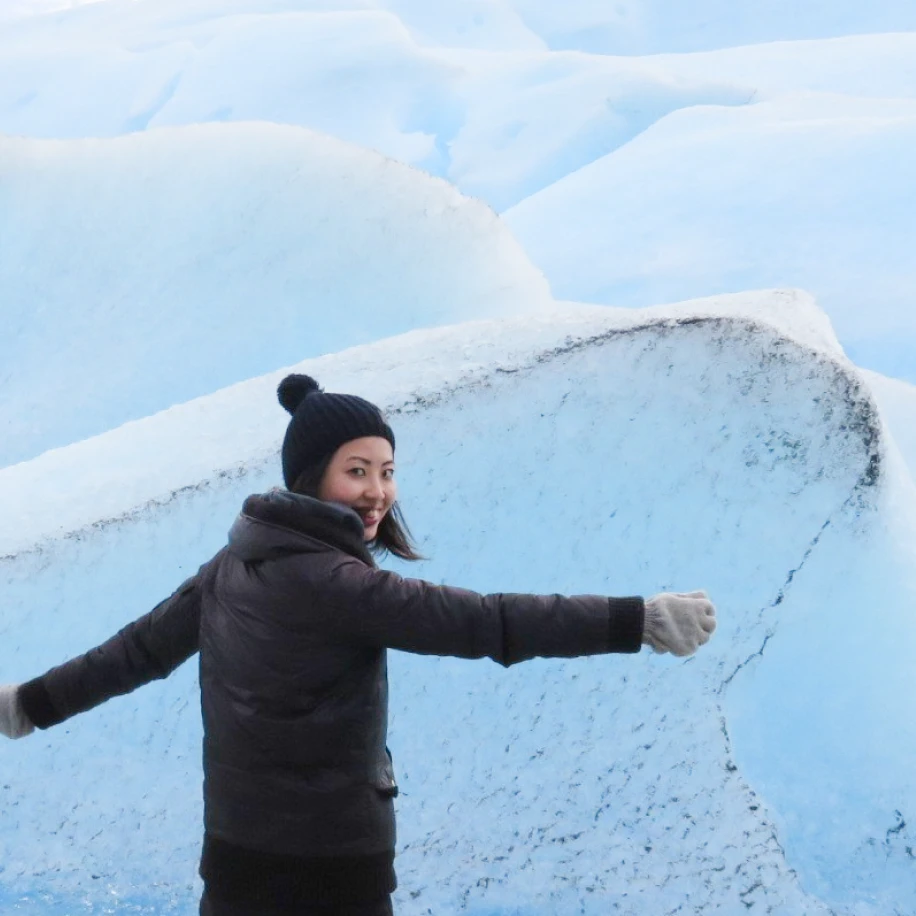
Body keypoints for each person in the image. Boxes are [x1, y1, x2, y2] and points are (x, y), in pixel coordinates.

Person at [0, 374, 717, 915]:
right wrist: (635, 620)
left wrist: (29, 704)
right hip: (331, 860)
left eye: (387, 470)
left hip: (236, 855)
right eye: (357, 470)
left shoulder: (231, 565)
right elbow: (487, 622)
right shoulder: (337, 584)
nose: (379, 491)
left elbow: (135, 653)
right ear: (310, 477)